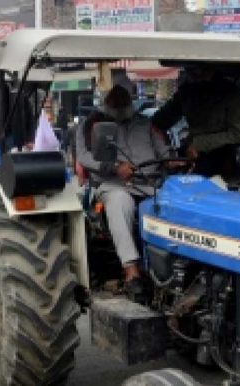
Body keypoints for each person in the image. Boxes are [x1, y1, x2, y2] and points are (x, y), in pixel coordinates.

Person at [76, 85, 169, 293]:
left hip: (149, 183)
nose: (119, 106)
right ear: (107, 103)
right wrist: (114, 168)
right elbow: (83, 156)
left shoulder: (146, 124)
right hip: (113, 185)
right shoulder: (92, 124)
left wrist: (173, 160)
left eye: (123, 101)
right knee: (120, 201)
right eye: (114, 102)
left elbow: (163, 151)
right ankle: (131, 272)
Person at [151, 65, 240, 177]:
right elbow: (159, 121)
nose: (196, 77)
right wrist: (164, 148)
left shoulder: (236, 96)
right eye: (192, 72)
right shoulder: (187, 93)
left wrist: (200, 144)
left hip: (223, 158)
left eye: (202, 72)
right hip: (190, 153)